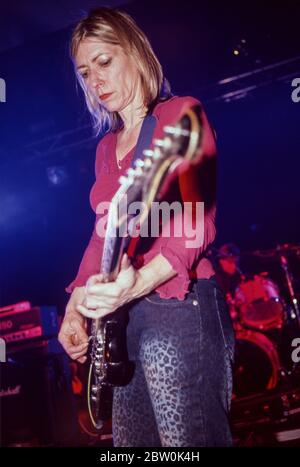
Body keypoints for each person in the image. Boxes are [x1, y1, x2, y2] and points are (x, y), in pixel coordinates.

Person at [58, 7, 234, 447]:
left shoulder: (180, 115)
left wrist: (137, 284)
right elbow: (103, 235)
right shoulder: (104, 150)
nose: (95, 80)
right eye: (85, 72)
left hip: (179, 302)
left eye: (104, 62)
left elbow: (197, 217)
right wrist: (76, 305)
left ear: (135, 52)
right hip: (122, 320)